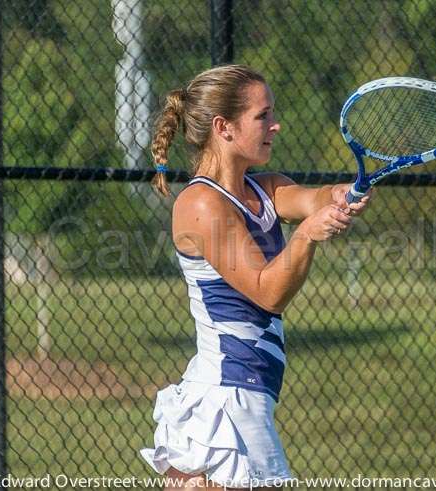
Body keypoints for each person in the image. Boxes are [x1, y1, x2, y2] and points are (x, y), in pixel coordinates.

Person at [140, 64, 371, 490]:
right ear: (223, 127)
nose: (275, 125)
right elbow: (268, 292)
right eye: (263, 116)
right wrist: (306, 235)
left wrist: (336, 196)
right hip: (229, 401)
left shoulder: (266, 188)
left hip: (242, 397)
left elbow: (311, 196)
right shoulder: (202, 205)